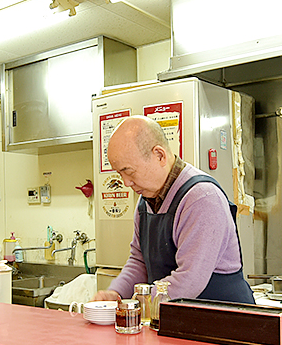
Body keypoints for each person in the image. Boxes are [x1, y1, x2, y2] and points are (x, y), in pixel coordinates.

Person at [93, 115, 254, 305]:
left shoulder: (201, 198)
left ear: (159, 155)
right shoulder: (145, 202)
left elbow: (189, 280)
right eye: (120, 174)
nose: (126, 183)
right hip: (177, 316)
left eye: (129, 172)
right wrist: (116, 294)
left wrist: (134, 304)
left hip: (224, 319)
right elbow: (139, 262)